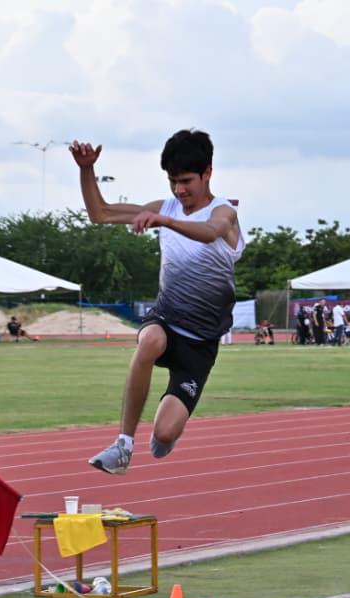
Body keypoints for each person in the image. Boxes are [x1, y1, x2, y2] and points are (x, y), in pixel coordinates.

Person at [71, 131, 245, 475]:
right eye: (172, 181)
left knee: (165, 433)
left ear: (207, 173)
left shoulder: (223, 211)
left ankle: (166, 434)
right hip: (166, 319)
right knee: (150, 339)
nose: (179, 190)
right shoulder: (165, 207)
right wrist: (86, 170)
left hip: (200, 343)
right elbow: (100, 214)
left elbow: (210, 232)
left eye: (186, 181)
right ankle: (123, 444)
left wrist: (166, 221)